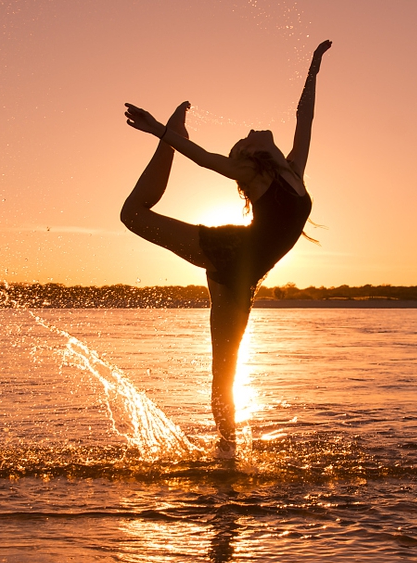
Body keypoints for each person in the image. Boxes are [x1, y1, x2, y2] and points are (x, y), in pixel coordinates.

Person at [121, 40, 332, 458]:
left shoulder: (293, 170)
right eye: (246, 137)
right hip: (229, 251)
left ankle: (227, 453)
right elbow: (203, 160)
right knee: (132, 215)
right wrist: (160, 131)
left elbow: (304, 116)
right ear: (249, 155)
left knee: (226, 370)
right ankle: (227, 452)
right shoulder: (252, 171)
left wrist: (313, 68)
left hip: (244, 276)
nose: (252, 130)